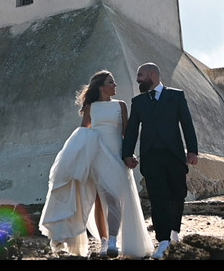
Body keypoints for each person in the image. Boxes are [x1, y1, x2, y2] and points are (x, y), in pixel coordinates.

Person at [38, 70, 154, 259]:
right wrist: (72, 159)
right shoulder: (91, 107)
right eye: (111, 82)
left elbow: (127, 134)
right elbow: (83, 133)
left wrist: (129, 154)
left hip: (116, 157)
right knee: (100, 200)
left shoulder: (121, 105)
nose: (115, 85)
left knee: (115, 198)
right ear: (101, 86)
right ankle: (105, 242)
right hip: (96, 156)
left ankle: (115, 239)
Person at [122, 63, 198, 259]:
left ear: (152, 74)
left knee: (178, 194)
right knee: (158, 198)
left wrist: (192, 150)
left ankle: (174, 232)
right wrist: (127, 153)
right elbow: (131, 130)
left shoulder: (176, 96)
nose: (137, 79)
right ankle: (163, 241)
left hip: (174, 155)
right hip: (150, 156)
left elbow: (187, 124)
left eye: (140, 75)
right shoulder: (138, 102)